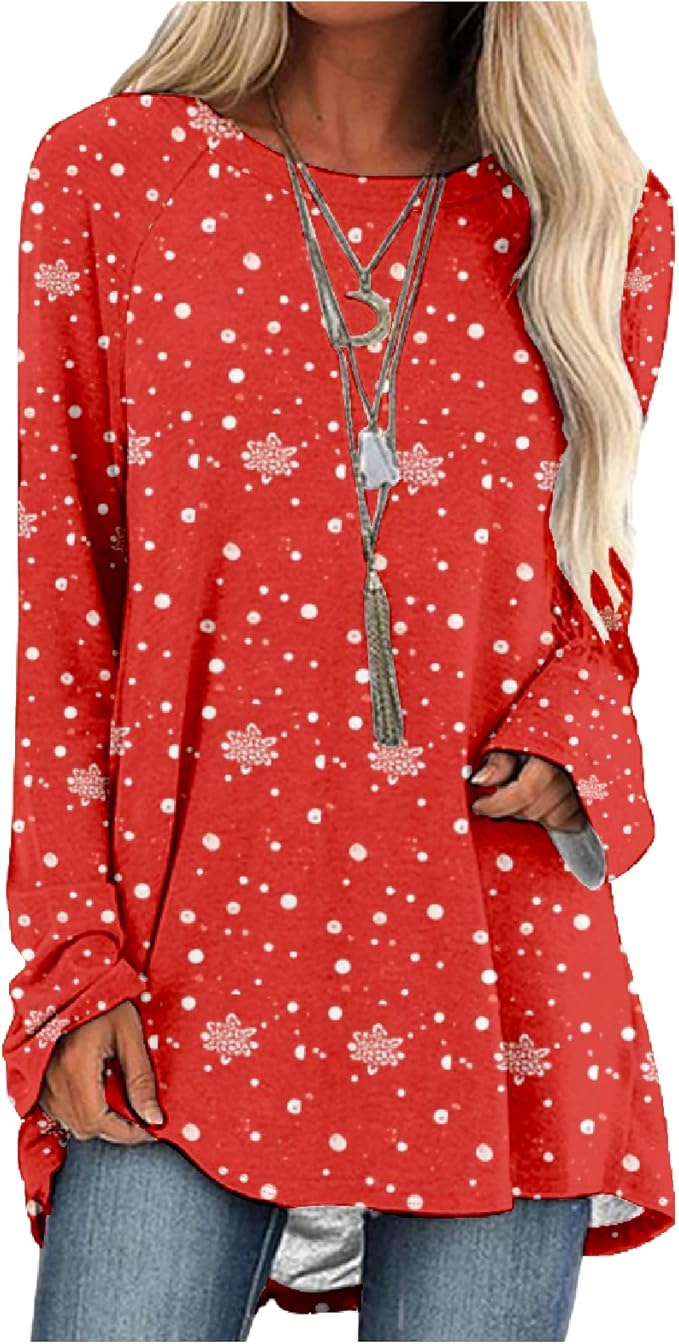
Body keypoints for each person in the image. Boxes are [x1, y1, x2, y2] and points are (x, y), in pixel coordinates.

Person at [3, 2, 674, 1340]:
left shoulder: (597, 217)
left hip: (495, 974)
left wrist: (578, 742)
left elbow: (582, 603)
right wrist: (73, 960)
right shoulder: (115, 174)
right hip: (187, 963)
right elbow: (63, 600)